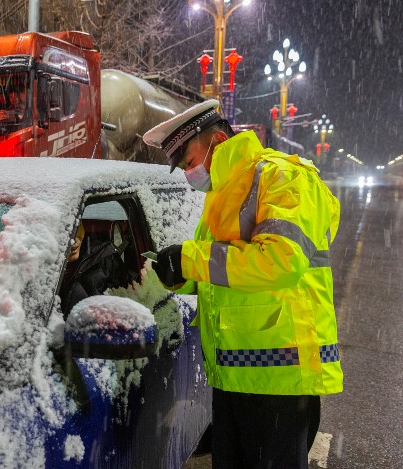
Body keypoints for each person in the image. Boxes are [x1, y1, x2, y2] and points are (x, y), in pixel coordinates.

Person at [142, 99, 342, 469]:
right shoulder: (221, 193)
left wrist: (190, 259)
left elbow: (279, 263)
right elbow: (220, 275)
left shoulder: (284, 178)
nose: (190, 174)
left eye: (189, 162)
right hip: (234, 376)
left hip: (281, 380)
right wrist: (177, 275)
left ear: (218, 141)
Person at [60, 222, 130, 316]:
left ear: (83, 229)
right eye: (64, 230)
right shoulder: (37, 269)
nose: (74, 239)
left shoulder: (105, 258)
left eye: (76, 227)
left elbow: (133, 296)